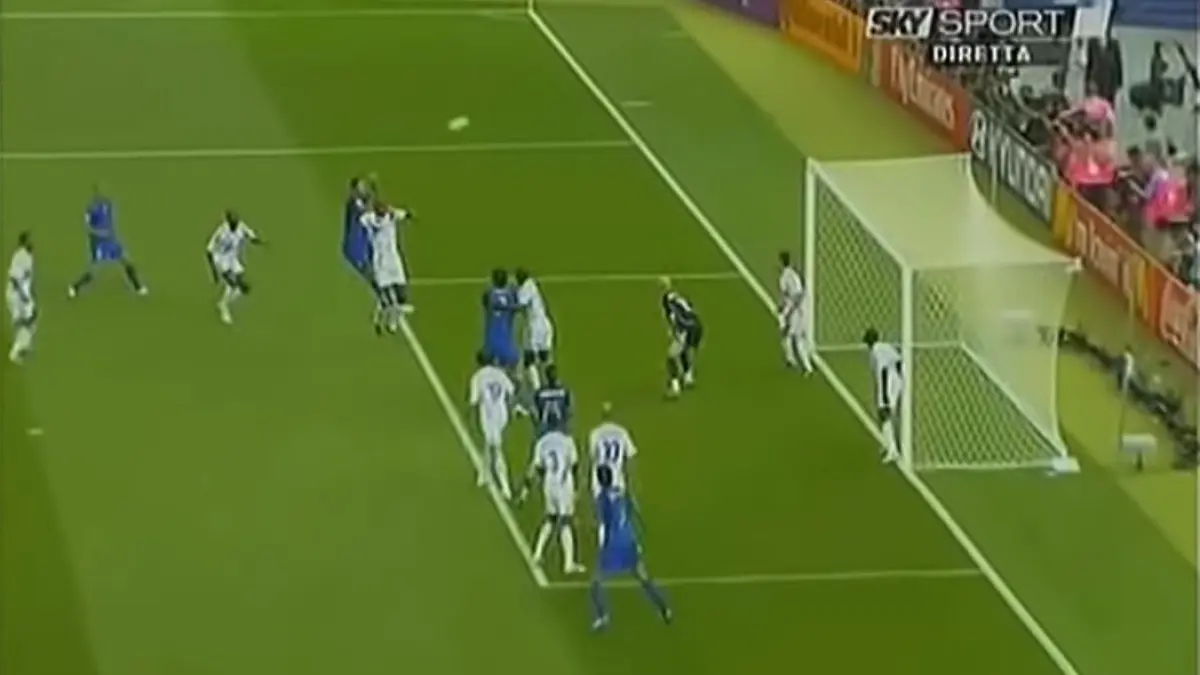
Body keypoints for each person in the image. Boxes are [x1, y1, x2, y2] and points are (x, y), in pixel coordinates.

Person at [589, 464, 671, 631]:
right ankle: (664, 608)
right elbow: (633, 512)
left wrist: (601, 547)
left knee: (595, 581)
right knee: (643, 577)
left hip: (613, 545)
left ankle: (602, 616)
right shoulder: (622, 493)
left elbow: (603, 525)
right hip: (629, 542)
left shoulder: (602, 499)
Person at [68, 188, 147, 298]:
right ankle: (74, 287)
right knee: (93, 270)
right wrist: (99, 233)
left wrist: (111, 233)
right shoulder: (90, 210)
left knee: (126, 261)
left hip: (111, 240)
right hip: (99, 243)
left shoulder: (108, 205)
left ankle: (138, 287)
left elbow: (110, 222)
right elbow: (87, 228)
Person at [468, 351, 516, 499]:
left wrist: (470, 417)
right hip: (501, 415)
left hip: (488, 417)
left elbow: (473, 401)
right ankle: (483, 474)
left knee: (496, 448)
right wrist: (511, 410)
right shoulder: (500, 373)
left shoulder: (477, 377)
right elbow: (511, 392)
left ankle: (505, 486)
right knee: (489, 445)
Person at [206, 210, 264, 325]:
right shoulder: (221, 232)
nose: (236, 223)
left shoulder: (241, 226)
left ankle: (222, 303)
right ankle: (224, 308)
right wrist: (214, 272)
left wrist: (259, 241)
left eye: (236, 221)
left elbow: (250, 235)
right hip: (221, 259)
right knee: (234, 285)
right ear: (228, 221)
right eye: (233, 221)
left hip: (233, 259)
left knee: (240, 289)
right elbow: (209, 251)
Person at [863, 327, 902, 463]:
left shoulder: (876, 352)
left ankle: (893, 450)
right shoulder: (885, 347)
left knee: (885, 414)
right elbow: (899, 360)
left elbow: (883, 371)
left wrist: (884, 393)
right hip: (896, 380)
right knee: (886, 415)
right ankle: (889, 444)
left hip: (888, 383)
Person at [660, 277, 702, 398]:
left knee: (671, 357)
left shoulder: (668, 303)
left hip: (685, 328)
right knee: (684, 350)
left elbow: (674, 317)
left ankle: (675, 388)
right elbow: (690, 309)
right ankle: (688, 377)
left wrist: (675, 332)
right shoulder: (679, 298)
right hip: (697, 326)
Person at [777, 251, 813, 374]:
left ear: (781, 262)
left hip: (795, 310)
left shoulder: (785, 277)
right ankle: (792, 359)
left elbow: (795, 295)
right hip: (798, 309)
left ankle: (806, 366)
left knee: (794, 337)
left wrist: (789, 311)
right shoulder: (794, 273)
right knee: (792, 336)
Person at [7, 232, 36, 363]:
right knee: (23, 322)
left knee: (31, 319)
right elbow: (14, 279)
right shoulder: (20, 257)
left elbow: (26, 278)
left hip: (23, 294)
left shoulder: (28, 256)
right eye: (29, 240)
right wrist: (23, 295)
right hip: (16, 295)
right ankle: (15, 353)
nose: (32, 242)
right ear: (23, 243)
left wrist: (29, 292)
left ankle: (24, 345)